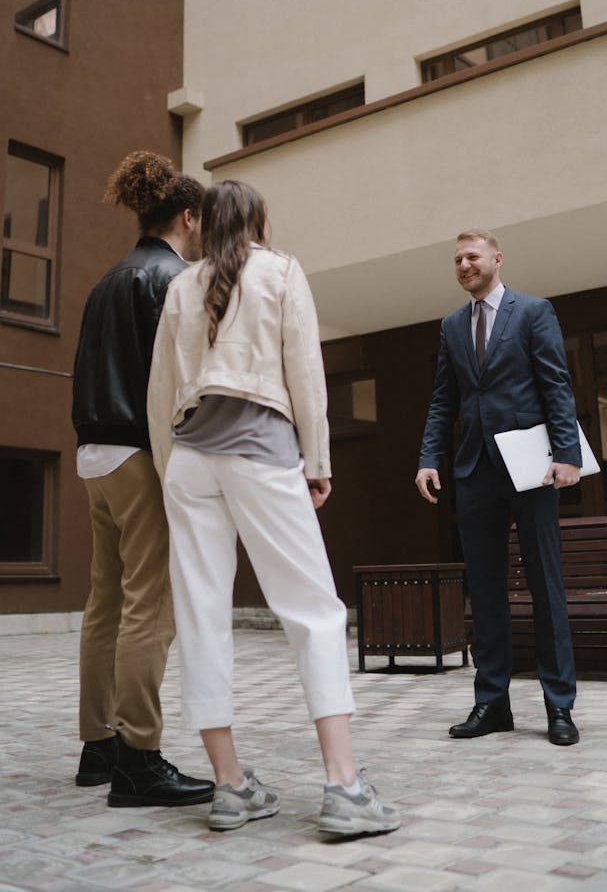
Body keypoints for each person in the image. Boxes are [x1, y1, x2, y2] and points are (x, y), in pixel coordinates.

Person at [147, 179, 400, 836]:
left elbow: (159, 392)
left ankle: (230, 786)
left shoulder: (181, 286)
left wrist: (169, 472)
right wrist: (317, 460)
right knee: (313, 611)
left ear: (204, 224)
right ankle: (344, 786)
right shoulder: (281, 270)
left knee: (201, 616)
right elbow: (305, 373)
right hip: (260, 450)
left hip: (189, 458)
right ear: (258, 221)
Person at [72, 151, 214, 806]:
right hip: (138, 454)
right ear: (188, 217)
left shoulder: (107, 280)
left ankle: (97, 747)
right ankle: (139, 758)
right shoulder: (173, 279)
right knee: (149, 607)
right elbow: (182, 383)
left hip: (93, 454)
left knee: (104, 603)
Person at [415, 229, 581, 746]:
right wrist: (428, 458)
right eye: (457, 259)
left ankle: (559, 706)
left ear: (497, 259)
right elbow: (444, 399)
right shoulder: (451, 326)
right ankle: (492, 703)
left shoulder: (533, 312)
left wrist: (568, 454)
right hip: (475, 473)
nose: (464, 265)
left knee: (545, 587)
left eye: (472, 256)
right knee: (485, 593)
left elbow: (555, 384)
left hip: (531, 469)